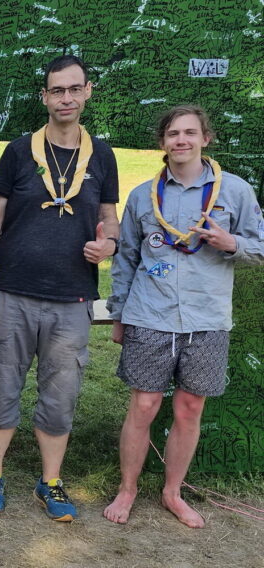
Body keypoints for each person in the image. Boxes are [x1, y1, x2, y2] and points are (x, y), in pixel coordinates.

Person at [103, 105, 264, 528]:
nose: (181, 141)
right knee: (144, 405)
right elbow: (126, 261)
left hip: (207, 319)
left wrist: (231, 243)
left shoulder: (236, 192)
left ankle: (173, 492)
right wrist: (119, 315)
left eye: (190, 133)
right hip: (149, 315)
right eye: (173, 133)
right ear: (162, 142)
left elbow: (259, 248)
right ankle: (128, 489)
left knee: (190, 408)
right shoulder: (142, 195)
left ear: (205, 138)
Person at [0, 54, 120, 521]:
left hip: (73, 298)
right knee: (3, 386)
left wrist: (110, 243)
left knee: (61, 396)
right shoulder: (19, 151)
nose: (66, 98)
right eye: (57, 90)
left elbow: (108, 217)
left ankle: (50, 481)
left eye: (74, 89)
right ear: (45, 96)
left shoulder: (102, 155)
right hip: (12, 292)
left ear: (87, 92)